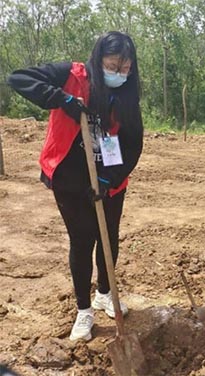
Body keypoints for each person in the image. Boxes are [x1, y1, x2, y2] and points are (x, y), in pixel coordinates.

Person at [7, 31, 143, 342]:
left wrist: (112, 178)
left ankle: (105, 293)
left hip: (110, 176)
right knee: (83, 240)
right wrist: (62, 99)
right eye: (112, 66)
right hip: (70, 178)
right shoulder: (71, 75)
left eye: (125, 69)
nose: (119, 73)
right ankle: (84, 310)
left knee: (108, 235)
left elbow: (134, 143)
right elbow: (18, 78)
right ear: (99, 60)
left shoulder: (126, 95)